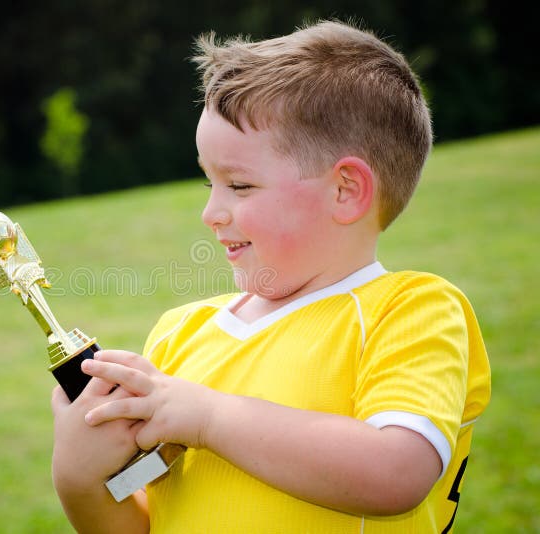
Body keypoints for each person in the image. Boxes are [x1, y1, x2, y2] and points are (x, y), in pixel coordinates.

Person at [50, 20, 491, 533]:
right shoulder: (180, 335)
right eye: (209, 181)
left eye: (238, 185)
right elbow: (146, 520)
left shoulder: (409, 310)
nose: (211, 212)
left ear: (346, 191)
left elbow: (398, 472)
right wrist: (80, 479)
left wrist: (208, 418)